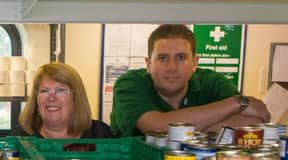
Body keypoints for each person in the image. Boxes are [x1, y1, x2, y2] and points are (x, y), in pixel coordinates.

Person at [110, 24, 270, 137]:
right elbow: (158, 129)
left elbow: (256, 121)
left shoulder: (213, 82)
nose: (171, 67)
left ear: (195, 62)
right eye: (162, 58)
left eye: (181, 57)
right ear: (148, 64)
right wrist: (236, 103)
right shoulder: (129, 83)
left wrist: (179, 131)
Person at [16, 63, 113, 138]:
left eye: (60, 90)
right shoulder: (21, 137)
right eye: (44, 91)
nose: (51, 98)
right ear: (35, 98)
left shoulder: (100, 133)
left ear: (76, 97)